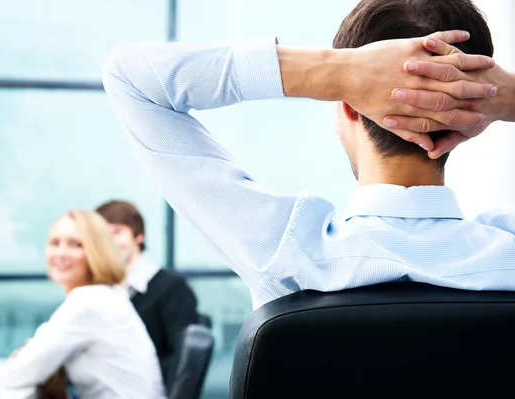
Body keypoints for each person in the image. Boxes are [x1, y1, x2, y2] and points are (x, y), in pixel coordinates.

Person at [101, 0, 515, 310]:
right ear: (470, 117)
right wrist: (505, 96)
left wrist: (338, 72)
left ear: (348, 105)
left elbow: (132, 78)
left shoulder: (288, 252)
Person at [3, 210, 165, 399]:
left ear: (96, 252)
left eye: (76, 244)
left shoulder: (89, 302)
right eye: (55, 243)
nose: (61, 253)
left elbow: (17, 375)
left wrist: (33, 354)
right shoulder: (106, 294)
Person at [95, 200, 199, 381]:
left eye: (117, 232)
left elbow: (181, 365)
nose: (109, 242)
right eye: (102, 236)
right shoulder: (99, 291)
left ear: (139, 236)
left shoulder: (172, 288)